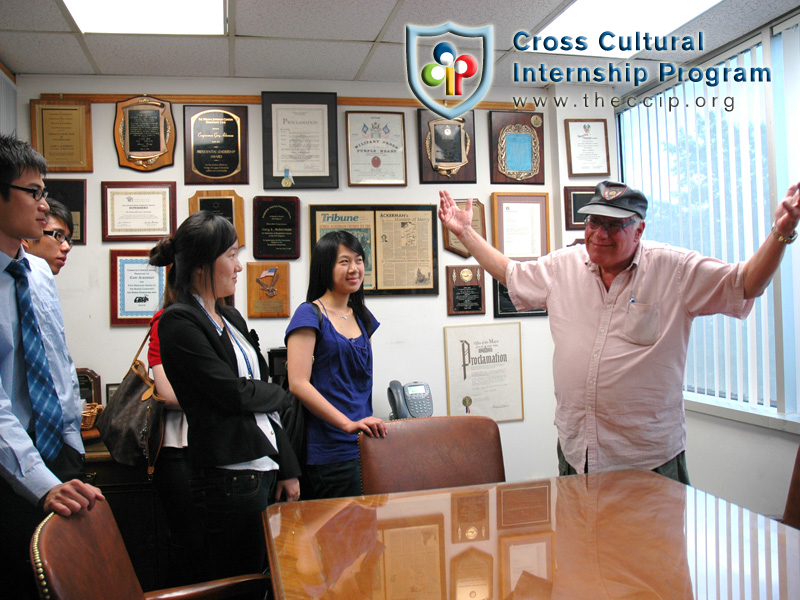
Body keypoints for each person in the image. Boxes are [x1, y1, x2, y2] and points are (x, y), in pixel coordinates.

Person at [438, 180, 800, 483]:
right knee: (581, 556)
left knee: (652, 562)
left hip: (647, 460)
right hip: (580, 454)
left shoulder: (674, 270)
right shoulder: (564, 266)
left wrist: (781, 233)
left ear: (639, 229)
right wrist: (465, 233)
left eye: (614, 225)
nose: (600, 233)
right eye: (594, 221)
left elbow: (745, 284)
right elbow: (510, 272)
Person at [152, 210, 300, 581]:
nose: (239, 266)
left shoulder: (229, 317)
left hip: (263, 468)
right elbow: (231, 394)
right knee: (240, 581)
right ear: (203, 263)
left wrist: (287, 466)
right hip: (228, 478)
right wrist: (280, 394)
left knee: (270, 576)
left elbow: (257, 395)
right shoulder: (178, 321)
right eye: (231, 255)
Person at [0, 134, 104, 598]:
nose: (45, 207)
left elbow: (56, 359)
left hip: (58, 454)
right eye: (33, 192)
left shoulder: (37, 270)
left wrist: (70, 445)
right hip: (10, 467)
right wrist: (41, 482)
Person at [285, 230, 386, 500]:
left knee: (365, 536)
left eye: (358, 260)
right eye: (344, 262)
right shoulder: (309, 314)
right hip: (328, 452)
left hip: (364, 448)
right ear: (325, 267)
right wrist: (346, 424)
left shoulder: (363, 316)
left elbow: (361, 382)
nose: (354, 269)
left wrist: (360, 428)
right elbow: (297, 383)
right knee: (336, 538)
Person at [145, 276, 201, 586]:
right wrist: (223, 396)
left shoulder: (224, 320)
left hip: (209, 444)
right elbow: (167, 394)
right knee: (188, 543)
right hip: (177, 449)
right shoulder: (166, 321)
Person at [21, 197, 73, 275]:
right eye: (59, 236)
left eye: (68, 240)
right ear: (26, 238)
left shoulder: (45, 282)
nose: (67, 247)